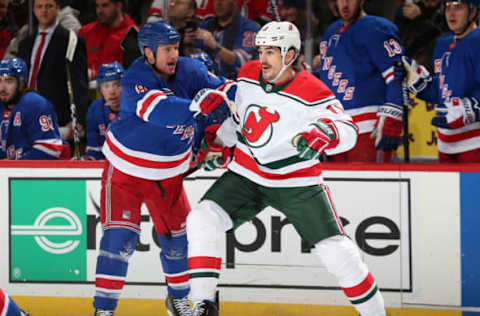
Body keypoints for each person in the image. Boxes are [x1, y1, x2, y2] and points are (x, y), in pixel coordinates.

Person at [186, 21, 386, 316]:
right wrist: (219, 140)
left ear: (290, 55)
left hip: (296, 182)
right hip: (247, 174)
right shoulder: (248, 74)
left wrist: (328, 133)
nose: (263, 59)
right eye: (261, 50)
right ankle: (200, 306)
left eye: (271, 52)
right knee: (202, 219)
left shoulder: (313, 91)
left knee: (338, 254)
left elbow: (348, 130)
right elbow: (240, 119)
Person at [92, 21, 234, 316]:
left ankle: (179, 302)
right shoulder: (135, 77)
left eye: (175, 48)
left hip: (168, 176)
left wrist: (236, 103)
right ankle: (103, 310)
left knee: (179, 243)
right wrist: (199, 106)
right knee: (118, 241)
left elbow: (224, 93)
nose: (173, 55)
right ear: (148, 52)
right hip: (125, 171)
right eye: (166, 49)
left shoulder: (190, 70)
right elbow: (158, 111)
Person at [314, 0, 405, 163]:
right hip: (334, 128)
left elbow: (396, 75)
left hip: (367, 129)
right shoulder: (330, 32)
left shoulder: (378, 28)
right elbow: (328, 77)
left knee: (370, 187)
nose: (345, 4)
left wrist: (393, 115)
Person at [394, 0, 480, 162]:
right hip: (445, 145)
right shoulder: (443, 44)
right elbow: (442, 91)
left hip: (475, 146)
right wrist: (417, 80)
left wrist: (468, 110)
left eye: (458, 7)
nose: (451, 13)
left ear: (473, 11)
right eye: (448, 7)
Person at [18, 0, 88, 143]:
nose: (44, 11)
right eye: (39, 7)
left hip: (57, 115)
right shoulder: (25, 43)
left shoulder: (71, 39)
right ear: (34, 10)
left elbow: (79, 82)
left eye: (48, 6)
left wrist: (78, 118)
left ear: (57, 8)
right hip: (25, 111)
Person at [0, 57, 64, 160]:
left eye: (9, 81)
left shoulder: (35, 103)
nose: (2, 88)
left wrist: (13, 168)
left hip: (39, 174)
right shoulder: (3, 107)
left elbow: (50, 148)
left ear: (22, 83)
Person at [191, 0, 259, 79]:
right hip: (208, 82)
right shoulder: (207, 24)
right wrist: (188, 43)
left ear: (235, 2)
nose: (218, 3)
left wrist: (215, 46)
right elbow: (194, 57)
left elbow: (241, 61)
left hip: (236, 83)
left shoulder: (249, 28)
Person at [78, 0, 138, 81]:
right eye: (97, 6)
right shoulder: (85, 32)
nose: (99, 11)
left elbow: (133, 74)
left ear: (118, 5)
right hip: (87, 89)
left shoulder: (131, 34)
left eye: (105, 5)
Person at [394, 0, 447, 73]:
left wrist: (421, 17)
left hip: (431, 67)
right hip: (406, 64)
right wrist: (402, 12)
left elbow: (443, 35)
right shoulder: (412, 6)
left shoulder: (447, 9)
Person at [84, 61, 124, 160]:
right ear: (100, 89)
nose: (112, 91)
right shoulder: (96, 108)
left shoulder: (135, 108)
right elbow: (94, 148)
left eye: (117, 85)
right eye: (106, 86)